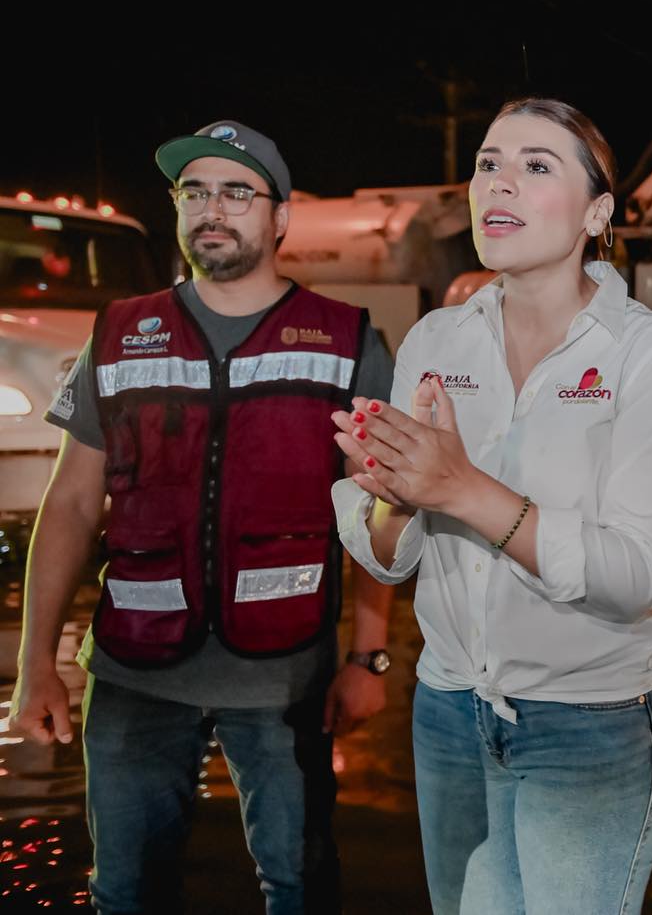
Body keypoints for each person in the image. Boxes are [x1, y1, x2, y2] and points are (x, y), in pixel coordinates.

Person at [9, 120, 397, 914]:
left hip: (287, 678)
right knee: (124, 893)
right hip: (133, 676)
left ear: (280, 217)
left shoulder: (349, 340)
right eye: (194, 192)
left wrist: (369, 657)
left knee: (300, 887)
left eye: (235, 192)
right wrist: (34, 662)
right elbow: (73, 502)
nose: (210, 210)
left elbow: (377, 514)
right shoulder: (118, 333)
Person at [331, 97, 652, 914]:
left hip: (592, 723)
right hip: (449, 707)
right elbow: (391, 554)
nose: (500, 182)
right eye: (489, 163)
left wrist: (461, 485)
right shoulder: (436, 341)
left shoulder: (649, 354)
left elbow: (635, 575)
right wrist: (392, 494)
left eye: (538, 166)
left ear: (596, 211)